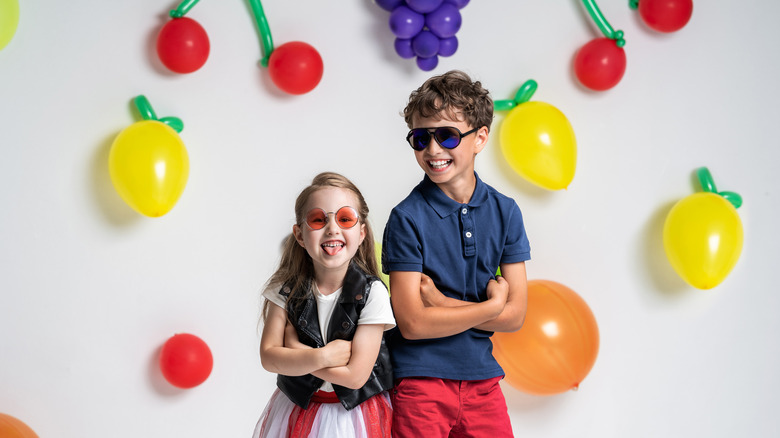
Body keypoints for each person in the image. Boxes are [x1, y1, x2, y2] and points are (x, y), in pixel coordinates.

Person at [382, 70, 531, 437]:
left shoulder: (506, 211)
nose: (433, 150)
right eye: (421, 138)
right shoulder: (406, 219)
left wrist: (440, 302)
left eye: (447, 136)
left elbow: (516, 317)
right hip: (419, 379)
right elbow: (413, 324)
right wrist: (491, 307)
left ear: (480, 137)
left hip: (483, 379)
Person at [254, 172, 395, 438]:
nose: (332, 228)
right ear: (299, 234)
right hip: (298, 408)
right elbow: (269, 358)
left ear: (361, 232)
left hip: (356, 416)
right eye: (318, 219)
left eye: (345, 219)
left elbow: (355, 376)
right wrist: (323, 356)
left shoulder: (372, 293)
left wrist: (295, 353)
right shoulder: (285, 290)